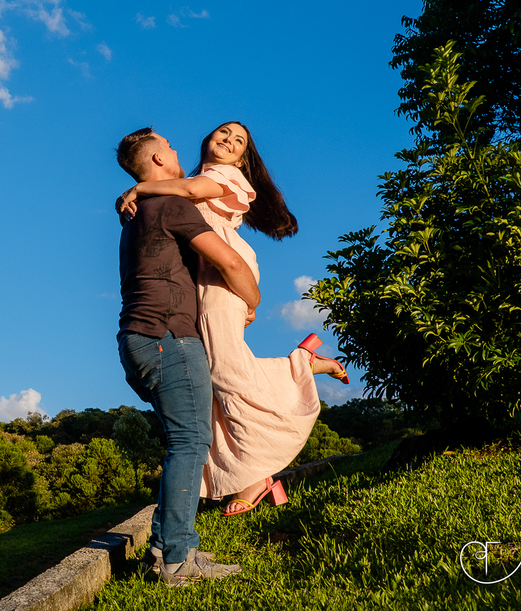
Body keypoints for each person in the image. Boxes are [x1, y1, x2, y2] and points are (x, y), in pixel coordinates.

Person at [118, 121, 347, 516]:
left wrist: (137, 188)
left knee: (226, 372)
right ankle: (250, 476)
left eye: (238, 141)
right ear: (207, 140)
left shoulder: (225, 176)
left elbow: (190, 193)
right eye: (223, 133)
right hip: (206, 278)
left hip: (224, 271)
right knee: (213, 383)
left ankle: (301, 366)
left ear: (242, 158)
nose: (228, 140)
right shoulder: (190, 179)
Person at [115, 126, 260, 584]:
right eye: (171, 148)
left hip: (139, 340)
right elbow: (229, 263)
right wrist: (251, 301)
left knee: (185, 439)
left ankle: (169, 548)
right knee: (189, 442)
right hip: (168, 338)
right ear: (158, 161)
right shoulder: (171, 203)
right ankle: (177, 560)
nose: (178, 151)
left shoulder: (136, 214)